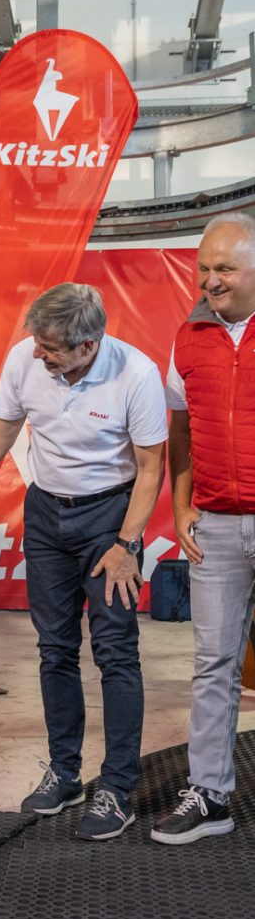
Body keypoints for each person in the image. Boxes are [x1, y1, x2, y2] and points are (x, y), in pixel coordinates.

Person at [0, 283, 166, 840]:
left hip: (109, 519)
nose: (39, 354)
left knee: (116, 652)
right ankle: (65, 774)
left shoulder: (135, 375)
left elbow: (150, 467)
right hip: (47, 515)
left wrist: (127, 545)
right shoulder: (25, 359)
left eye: (52, 348)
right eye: (38, 343)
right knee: (54, 648)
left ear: (88, 344)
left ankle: (117, 790)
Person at [151, 212, 255, 845]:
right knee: (213, 664)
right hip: (215, 525)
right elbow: (180, 430)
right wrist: (183, 503)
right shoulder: (188, 337)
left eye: (225, 269)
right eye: (204, 268)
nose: (210, 281)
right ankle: (210, 795)